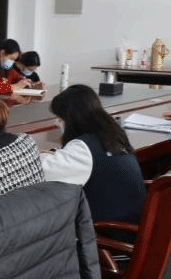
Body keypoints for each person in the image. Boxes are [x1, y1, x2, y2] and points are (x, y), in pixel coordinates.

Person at [42, 84, 145, 224]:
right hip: (132, 222)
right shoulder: (114, 136)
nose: (58, 123)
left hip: (107, 230)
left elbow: (45, 172)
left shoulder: (83, 148)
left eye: (60, 118)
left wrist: (34, 154)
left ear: (71, 118)